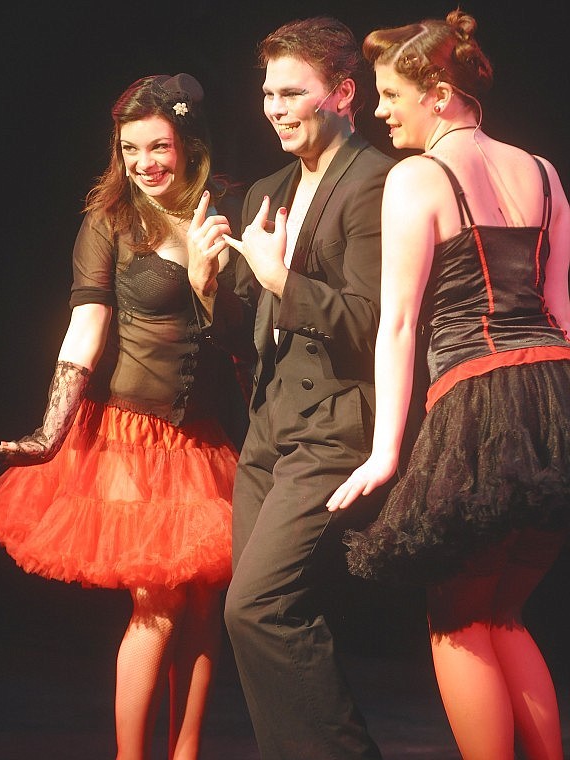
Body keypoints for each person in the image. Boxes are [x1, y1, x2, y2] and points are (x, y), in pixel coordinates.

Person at [0, 73, 250, 760]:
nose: (145, 163)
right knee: (158, 599)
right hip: (132, 434)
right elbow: (85, 327)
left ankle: (186, 752)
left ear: (191, 144)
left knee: (207, 603)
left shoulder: (233, 207)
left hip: (204, 435)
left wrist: (215, 286)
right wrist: (45, 433)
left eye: (159, 146)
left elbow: (251, 334)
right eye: (130, 149)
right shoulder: (112, 220)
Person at [327, 10, 570, 760]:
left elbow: (398, 325)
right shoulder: (542, 170)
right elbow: (561, 313)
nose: (380, 109)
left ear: (437, 93)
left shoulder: (417, 177)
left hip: (481, 397)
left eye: (391, 93)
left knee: (458, 621)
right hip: (555, 395)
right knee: (505, 616)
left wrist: (383, 453)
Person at [188, 16, 396, 759]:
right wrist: (211, 287)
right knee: (261, 615)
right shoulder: (269, 190)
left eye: (291, 92)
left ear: (343, 94)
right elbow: (251, 330)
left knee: (258, 605)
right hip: (270, 424)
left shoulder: (378, 184)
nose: (274, 108)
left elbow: (375, 323)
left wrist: (283, 279)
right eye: (268, 93)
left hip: (337, 420)